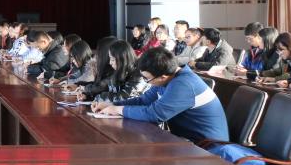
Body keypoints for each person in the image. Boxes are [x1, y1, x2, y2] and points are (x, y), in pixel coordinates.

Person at [93, 47, 229, 143]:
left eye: (147, 79)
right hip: (185, 140)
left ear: (163, 76)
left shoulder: (184, 84)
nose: (146, 82)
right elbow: (144, 100)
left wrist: (118, 110)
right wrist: (112, 105)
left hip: (207, 147)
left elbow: (155, 114)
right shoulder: (169, 77)